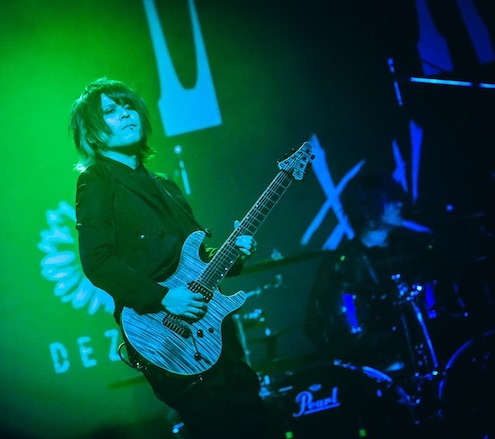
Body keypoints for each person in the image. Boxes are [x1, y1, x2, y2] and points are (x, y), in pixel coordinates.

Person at [71, 77, 277, 439]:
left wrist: (233, 253)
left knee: (251, 413)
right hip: (164, 329)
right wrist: (165, 298)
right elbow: (97, 262)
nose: (125, 114)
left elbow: (195, 256)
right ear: (93, 133)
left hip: (210, 322)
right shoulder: (96, 180)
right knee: (215, 423)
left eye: (128, 106)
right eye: (111, 111)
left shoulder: (164, 183)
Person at [304, 170, 439, 375]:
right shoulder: (341, 266)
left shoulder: (411, 253)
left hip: (424, 359)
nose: (399, 204)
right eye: (390, 199)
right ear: (367, 210)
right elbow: (324, 326)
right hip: (372, 374)